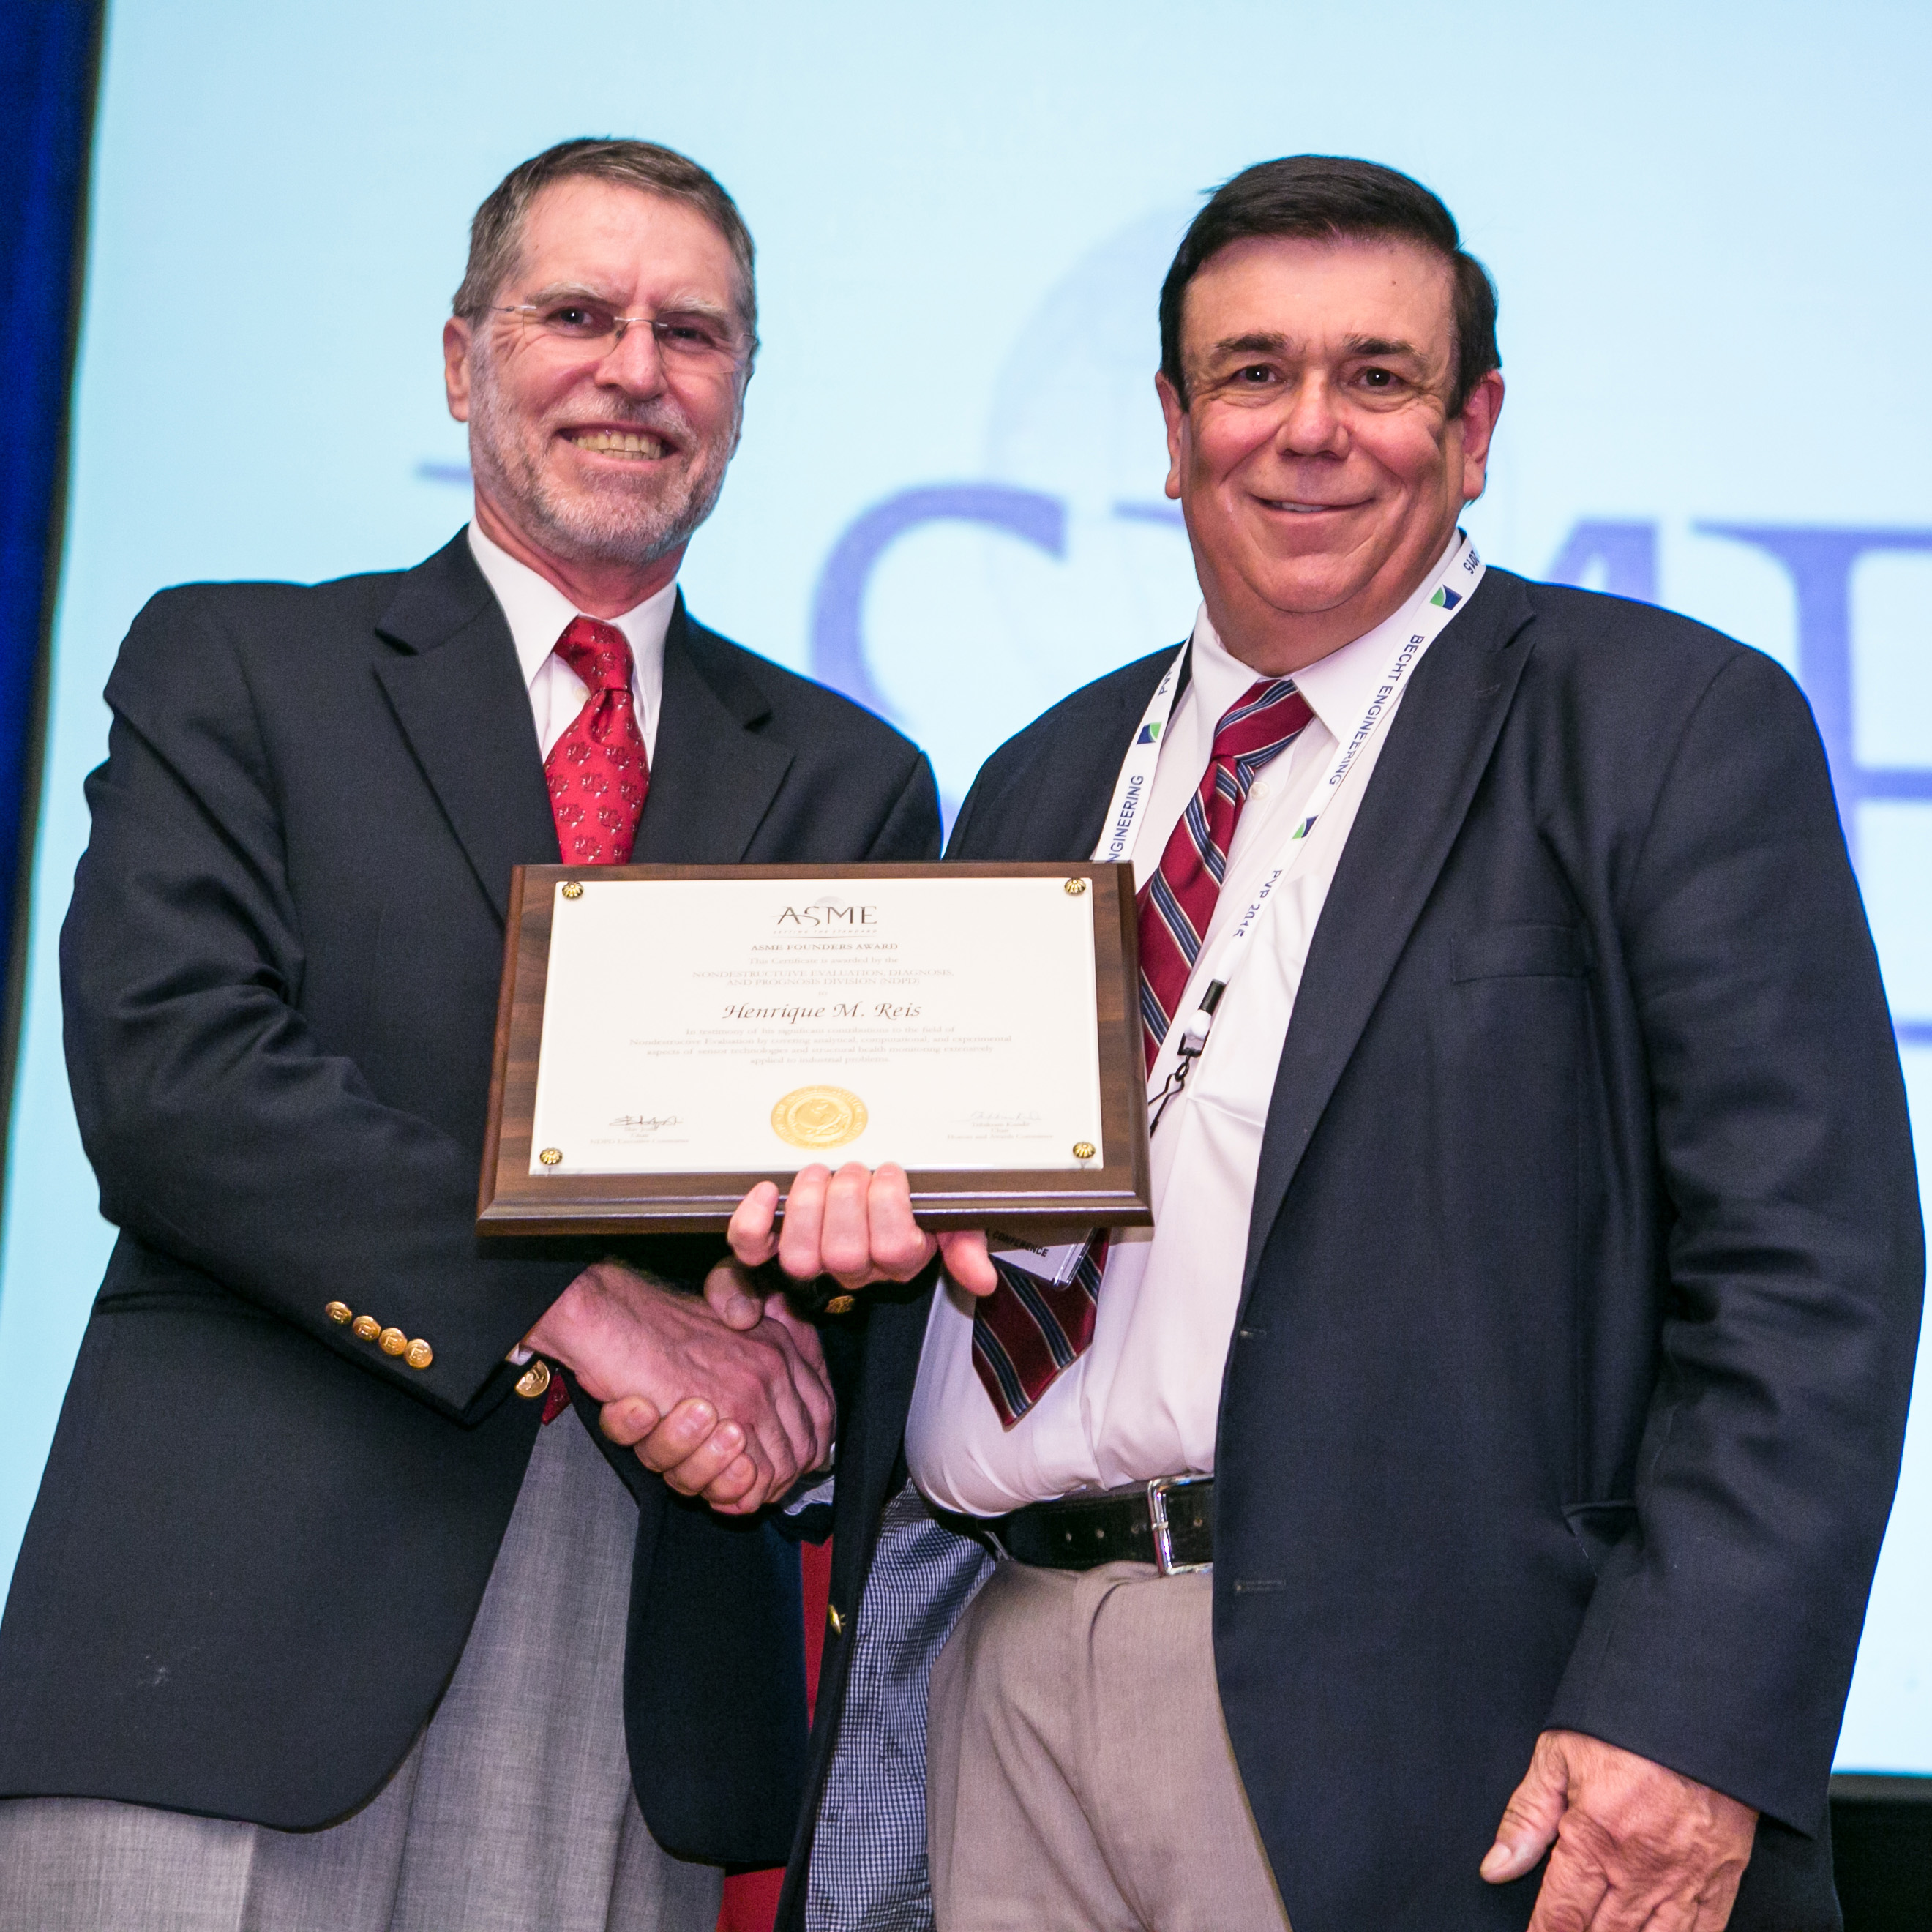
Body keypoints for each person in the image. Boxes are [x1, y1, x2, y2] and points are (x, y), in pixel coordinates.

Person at [701, 157, 1924, 1931]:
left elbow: (1808, 1279)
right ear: (1174, 424)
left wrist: (1688, 1718)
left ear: (1477, 426)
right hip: (1008, 1668)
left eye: (1380, 377)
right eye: (1254, 374)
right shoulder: (1045, 773)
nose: (1311, 431)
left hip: (1423, 1726)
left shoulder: (1660, 724)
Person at [0, 137, 939, 1932]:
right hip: (216, 1644)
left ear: (744, 388)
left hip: (635, 1652)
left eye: (695, 332)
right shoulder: (240, 668)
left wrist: (801, 1382)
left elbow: (850, 1245)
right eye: (575, 314)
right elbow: (175, 1079)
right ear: (460, 362)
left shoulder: (853, 779)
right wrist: (581, 1303)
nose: (635, 370)